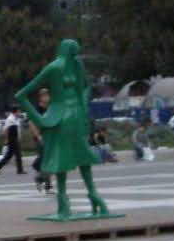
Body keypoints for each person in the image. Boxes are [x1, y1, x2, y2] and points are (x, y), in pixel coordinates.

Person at [15, 39, 109, 219]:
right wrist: (41, 120)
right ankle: (66, 200)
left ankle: (91, 195)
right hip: (59, 119)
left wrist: (82, 106)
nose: (74, 56)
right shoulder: (54, 68)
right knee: (62, 160)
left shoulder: (76, 64)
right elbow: (22, 95)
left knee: (82, 156)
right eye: (73, 53)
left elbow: (86, 86)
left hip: (76, 117)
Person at [0, 106, 25, 175]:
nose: (20, 113)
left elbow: (18, 130)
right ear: (15, 112)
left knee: (8, 156)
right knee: (18, 154)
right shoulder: (10, 119)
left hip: (15, 138)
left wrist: (19, 138)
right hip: (12, 139)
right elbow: (6, 130)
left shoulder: (16, 119)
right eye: (19, 111)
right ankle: (20, 170)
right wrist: (6, 139)